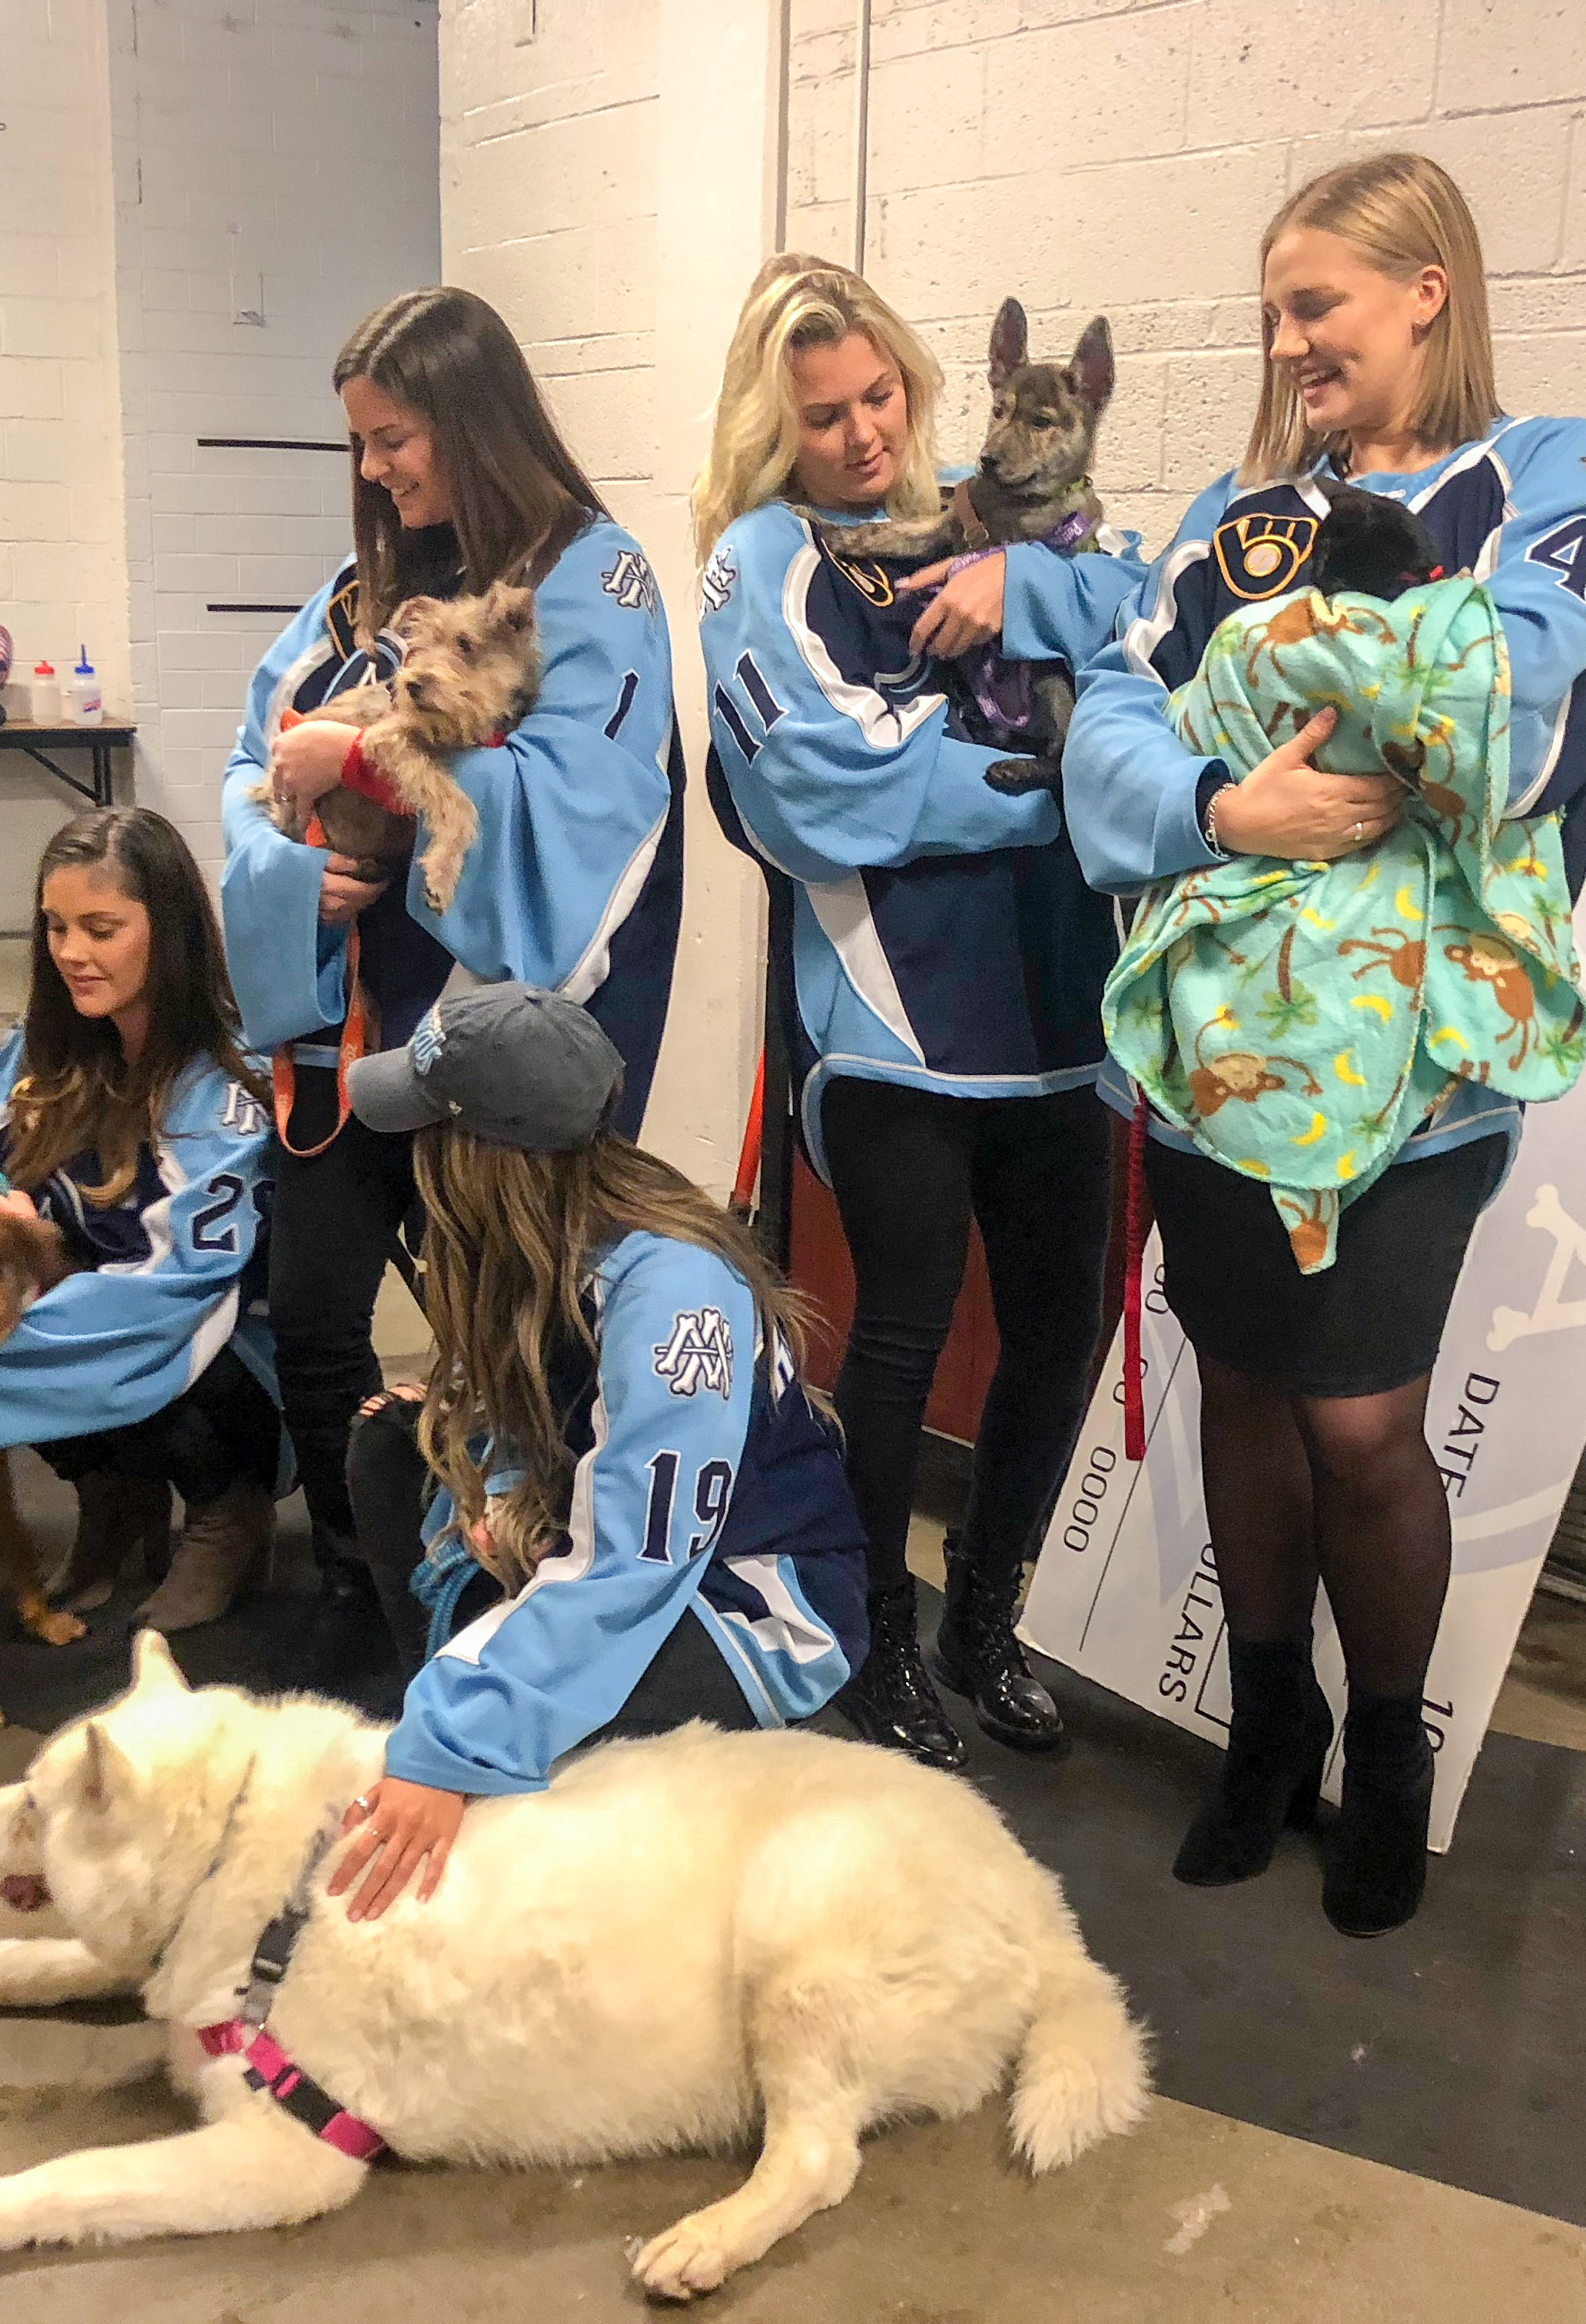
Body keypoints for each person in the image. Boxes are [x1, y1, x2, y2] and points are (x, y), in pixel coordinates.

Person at [1054, 151, 1586, 1937]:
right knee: (1242, 1387)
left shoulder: (1553, 473)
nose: (1287, 343)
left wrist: (1291, 689)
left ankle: (1385, 1751)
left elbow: (1508, 699)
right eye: (1272, 314)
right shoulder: (1230, 521)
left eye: (1315, 305)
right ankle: (1268, 1730)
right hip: (1225, 1056)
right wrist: (1225, 808)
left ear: (1426, 292)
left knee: (1364, 1423)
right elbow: (1114, 716)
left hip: (1419, 1078)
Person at [692, 255, 1146, 1771]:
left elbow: (1148, 620)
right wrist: (1053, 794)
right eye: (823, 415)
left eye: (880, 395)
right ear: (775, 424)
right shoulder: (763, 560)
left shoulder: (986, 516)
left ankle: (983, 1618)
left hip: (1058, 1009)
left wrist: (1040, 591)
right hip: (898, 1017)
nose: (863, 434)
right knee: (899, 1333)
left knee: (1058, 1336)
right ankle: (876, 1629)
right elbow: (817, 777)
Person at [220, 285, 683, 1673]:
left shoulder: (592, 580)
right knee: (314, 1309)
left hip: (493, 1030)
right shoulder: (356, 594)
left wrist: (361, 768)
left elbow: (584, 800)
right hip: (347, 1023)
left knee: (518, 1326)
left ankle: (512, 1594)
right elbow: (252, 766)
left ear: (473, 421)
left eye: (396, 438)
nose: (374, 470)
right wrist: (291, 865)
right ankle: (360, 1578)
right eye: (360, 444)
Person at [323, 983, 868, 1921]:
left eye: (426, 1127)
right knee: (391, 1443)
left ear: (476, 1156)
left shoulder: (672, 1290)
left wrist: (453, 1744)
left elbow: (637, 1565)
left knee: (480, 1760)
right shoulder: (546, 1229)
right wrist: (498, 1478)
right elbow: (524, 1416)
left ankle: (483, 1789)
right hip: (614, 1541)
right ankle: (472, 1741)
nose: (409, 1151)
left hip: (743, 1599)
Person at [0, 808, 284, 1633]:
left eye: (101, 928)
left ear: (170, 931)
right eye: (55, 927)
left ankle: (229, 1510)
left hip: (224, 1351)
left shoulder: (226, 1081)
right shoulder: (40, 1049)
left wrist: (21, 1301)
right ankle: (113, 1494)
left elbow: (173, 1287)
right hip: (101, 1307)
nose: (71, 953)